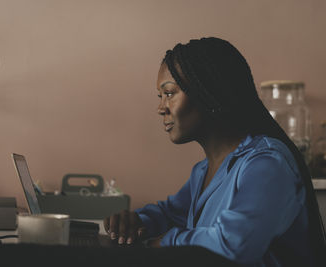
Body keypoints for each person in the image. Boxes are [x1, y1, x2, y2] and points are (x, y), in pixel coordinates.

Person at [104, 37, 326, 266]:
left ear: (207, 92)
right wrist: (137, 222)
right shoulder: (203, 172)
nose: (161, 108)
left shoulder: (268, 164)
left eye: (169, 93)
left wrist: (165, 242)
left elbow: (233, 246)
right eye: (160, 97)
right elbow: (170, 214)